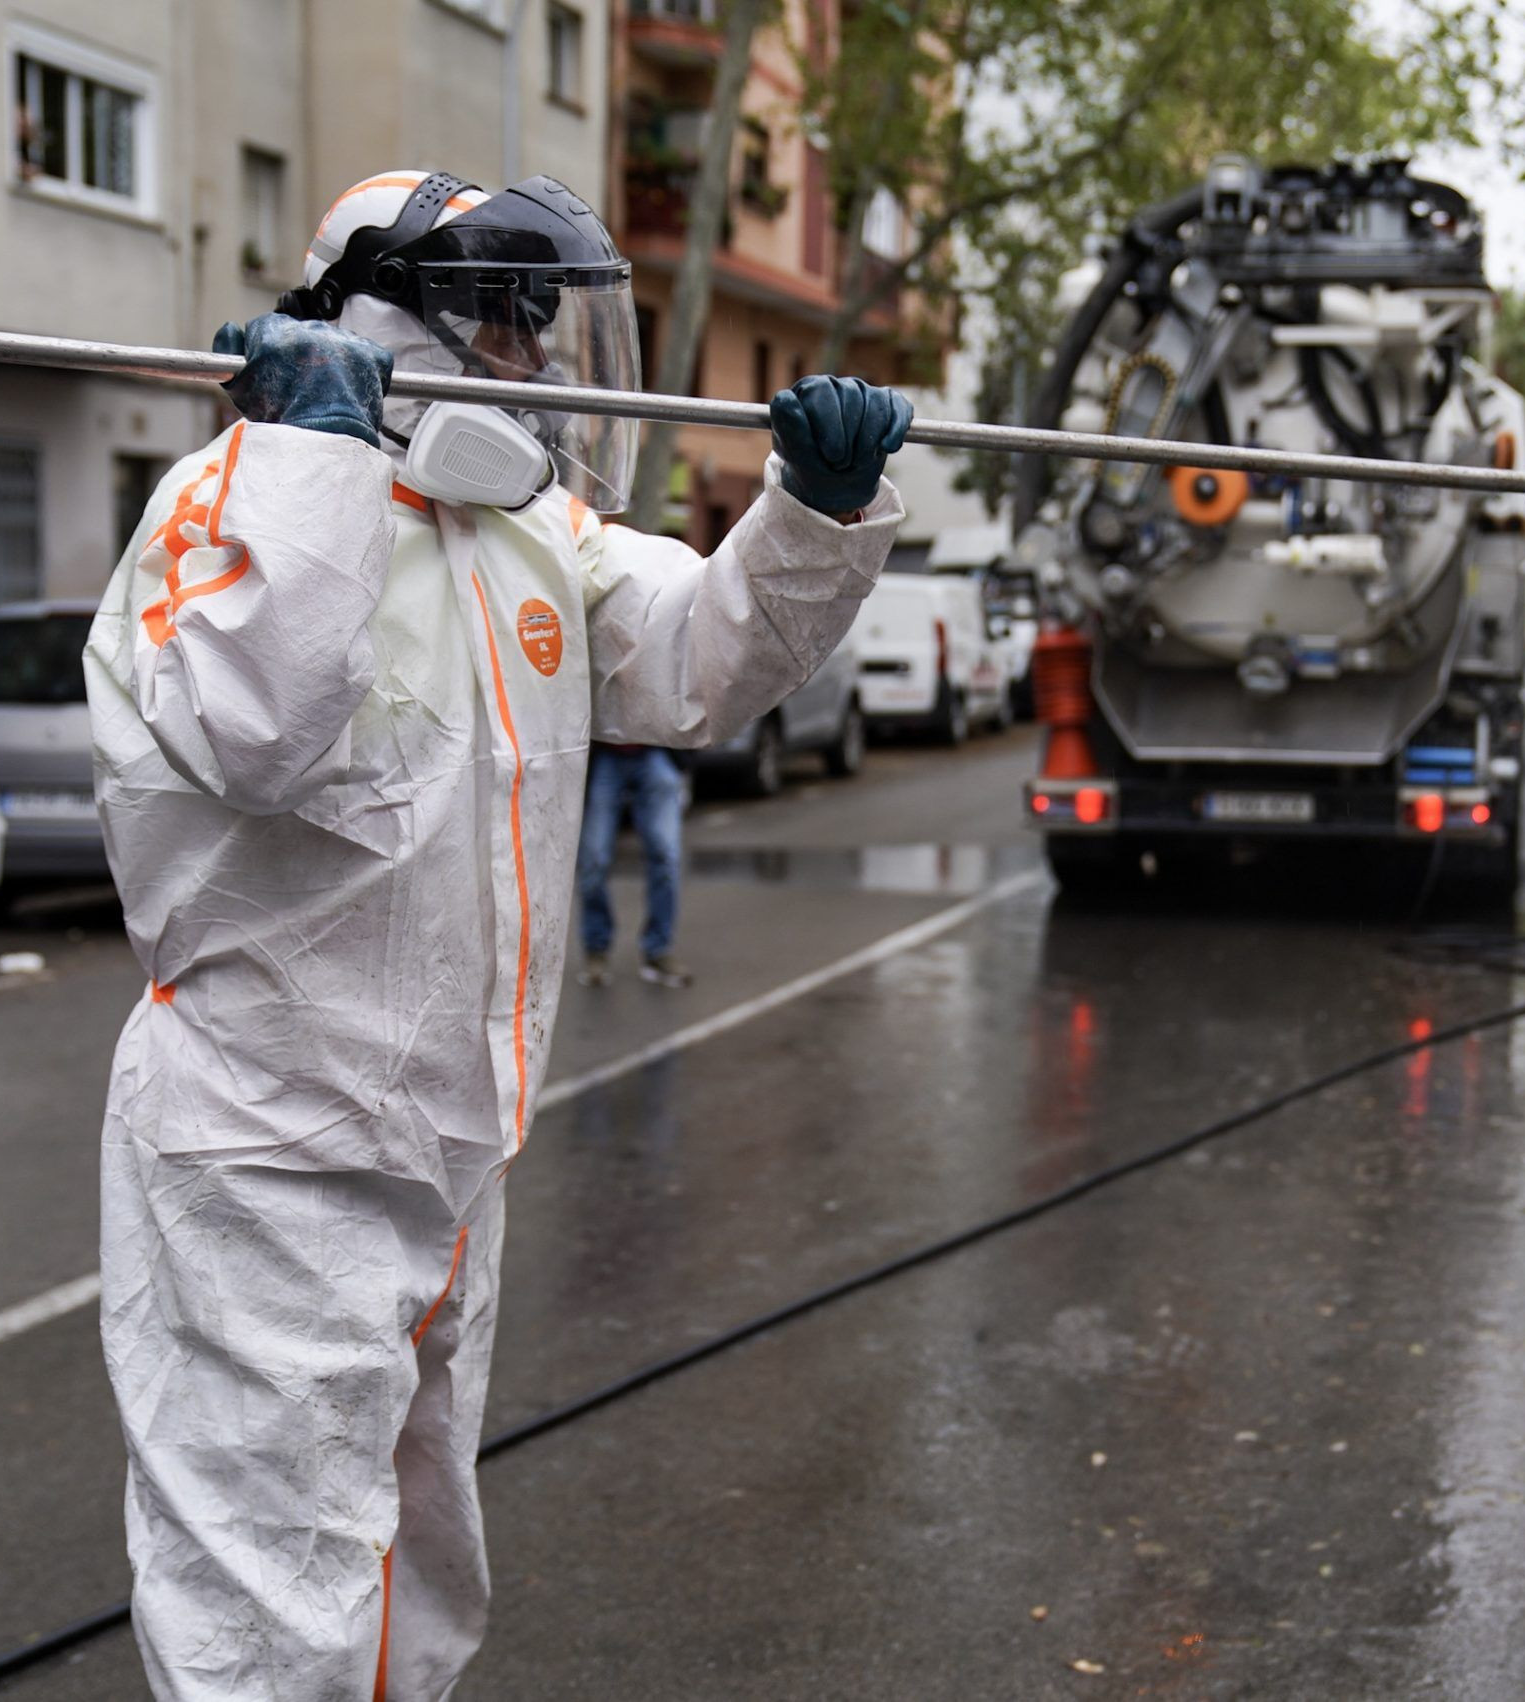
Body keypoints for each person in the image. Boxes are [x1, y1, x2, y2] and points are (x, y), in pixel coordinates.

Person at [85, 169, 910, 1701]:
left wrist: (814, 515)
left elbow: (694, 663)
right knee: (271, 1594)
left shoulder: (526, 529)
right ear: (384, 317)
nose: (533, 358)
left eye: (543, 322)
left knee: (415, 1559)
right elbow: (259, 726)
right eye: (503, 320)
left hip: (452, 1152)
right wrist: (312, 458)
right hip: (273, 1156)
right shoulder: (223, 512)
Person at [574, 740, 692, 987]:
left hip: (655, 749)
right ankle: (596, 947)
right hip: (605, 753)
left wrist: (683, 756)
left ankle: (658, 950)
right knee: (593, 858)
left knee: (666, 854)